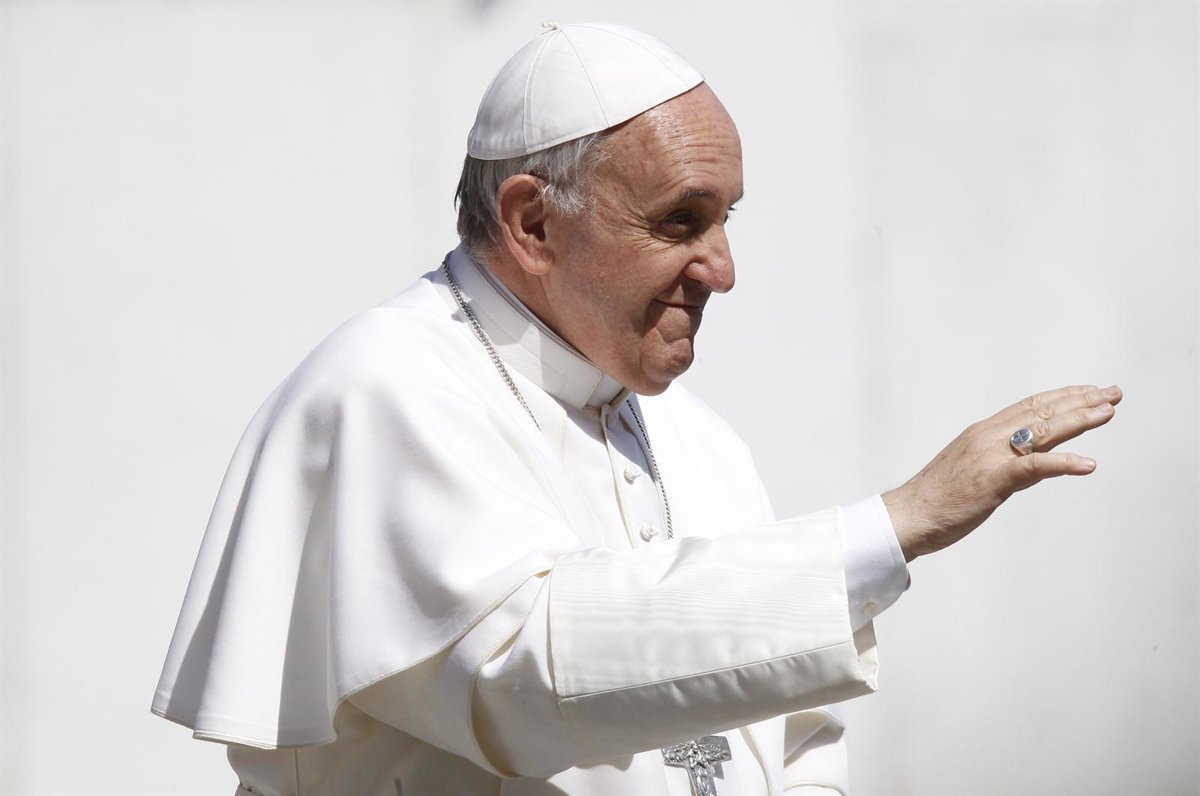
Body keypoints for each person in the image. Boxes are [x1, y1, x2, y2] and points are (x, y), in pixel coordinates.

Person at [152, 23, 1120, 796]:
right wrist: (897, 523)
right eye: (680, 221)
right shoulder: (385, 389)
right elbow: (525, 676)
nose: (723, 271)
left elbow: (797, 735)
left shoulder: (700, 439)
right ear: (534, 223)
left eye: (726, 219)